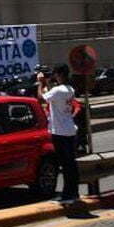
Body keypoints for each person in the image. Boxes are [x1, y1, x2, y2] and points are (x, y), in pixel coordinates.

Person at [37, 64, 79, 205]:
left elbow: (42, 98)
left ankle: (68, 194)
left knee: (65, 165)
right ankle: (74, 192)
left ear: (59, 74)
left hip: (60, 132)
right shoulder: (69, 89)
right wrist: (47, 84)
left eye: (55, 73)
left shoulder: (57, 90)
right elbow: (53, 97)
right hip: (70, 130)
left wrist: (40, 83)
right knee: (70, 164)